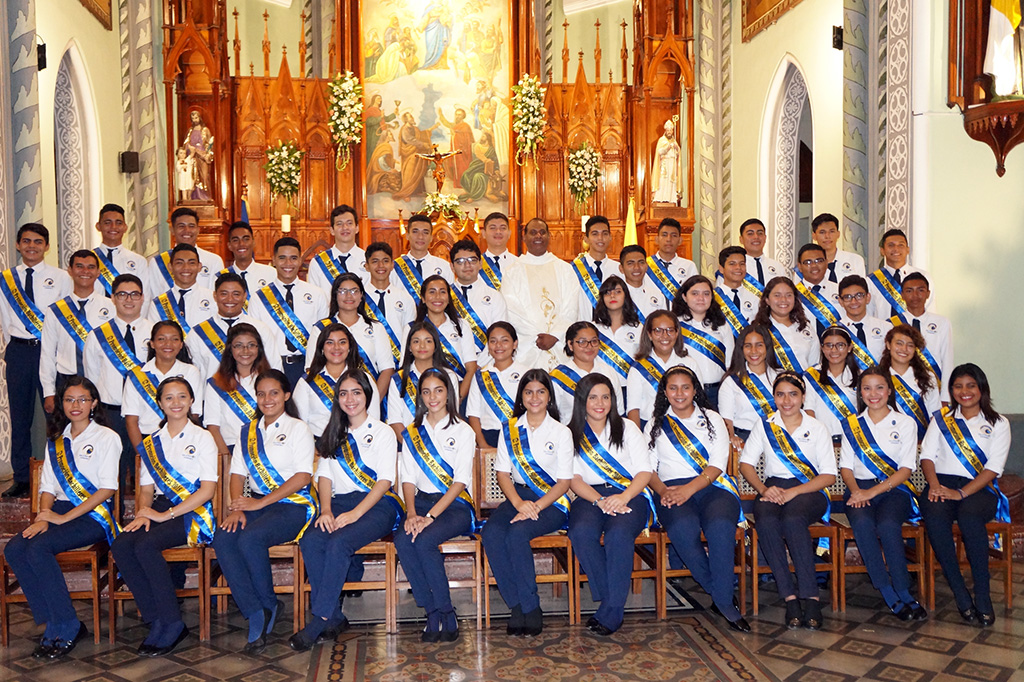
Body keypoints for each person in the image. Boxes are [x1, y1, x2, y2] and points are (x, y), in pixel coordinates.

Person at [3, 376, 119, 658]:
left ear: (93, 403)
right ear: (62, 404)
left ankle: (66, 624)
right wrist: (45, 515)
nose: (75, 405)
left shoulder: (107, 437)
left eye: (82, 399)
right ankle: (54, 619)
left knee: (39, 548)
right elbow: (47, 486)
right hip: (60, 513)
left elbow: (107, 489)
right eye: (69, 400)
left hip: (93, 515)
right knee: (15, 548)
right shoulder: (56, 439)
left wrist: (63, 519)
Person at [290, 370, 402, 650]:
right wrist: (325, 510)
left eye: (356, 392)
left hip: (378, 505)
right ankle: (335, 616)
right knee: (312, 539)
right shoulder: (334, 433)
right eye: (343, 393)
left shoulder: (382, 432)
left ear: (367, 395)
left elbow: (384, 481)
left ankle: (319, 620)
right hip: (338, 503)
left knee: (339, 542)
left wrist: (356, 514)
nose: (349, 399)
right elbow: (324, 476)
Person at [111, 377, 217, 655]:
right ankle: (155, 617)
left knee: (146, 546)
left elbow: (207, 491)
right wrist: (144, 513)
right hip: (159, 509)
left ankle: (172, 623)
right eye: (169, 398)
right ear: (159, 404)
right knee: (122, 544)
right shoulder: (151, 442)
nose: (176, 403)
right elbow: (145, 489)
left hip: (192, 512)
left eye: (182, 396)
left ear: (192, 400)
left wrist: (165, 514)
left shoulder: (202, 437)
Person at [213, 369, 316, 654]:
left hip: (294, 505)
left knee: (250, 539)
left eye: (274, 393)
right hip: (256, 504)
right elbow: (236, 474)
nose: (267, 399)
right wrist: (236, 507)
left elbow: (303, 477)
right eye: (261, 393)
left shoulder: (298, 428)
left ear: (285, 395)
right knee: (223, 537)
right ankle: (254, 609)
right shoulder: (247, 431)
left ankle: (268, 604)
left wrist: (259, 503)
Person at [646, 366, 749, 632]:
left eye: (686, 387)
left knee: (720, 528)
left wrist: (687, 490)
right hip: (670, 490)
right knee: (683, 529)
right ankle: (721, 594)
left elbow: (717, 465)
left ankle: (724, 602)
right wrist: (665, 492)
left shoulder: (713, 418)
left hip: (713, 487)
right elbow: (648, 470)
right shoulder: (655, 423)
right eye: (673, 388)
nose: (679, 393)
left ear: (695, 390)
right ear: (664, 392)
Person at [739, 372, 836, 630]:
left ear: (803, 397)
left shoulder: (817, 427)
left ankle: (811, 598)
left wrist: (795, 492)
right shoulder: (765, 425)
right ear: (774, 397)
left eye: (793, 394)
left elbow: (828, 475)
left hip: (810, 490)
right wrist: (763, 489)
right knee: (767, 521)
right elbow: (746, 464)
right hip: (773, 488)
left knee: (793, 520)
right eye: (780, 394)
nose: (787, 400)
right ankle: (790, 599)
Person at [481, 369, 573, 636]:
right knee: (492, 532)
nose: (535, 397)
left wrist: (536, 506)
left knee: (518, 533)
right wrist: (520, 503)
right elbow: (502, 473)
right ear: (521, 396)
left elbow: (564, 482)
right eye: (529, 391)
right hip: (517, 497)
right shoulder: (509, 429)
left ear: (549, 397)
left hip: (552, 502)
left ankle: (531, 607)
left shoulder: (561, 431)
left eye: (541, 392)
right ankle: (517, 604)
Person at [920, 364, 1011, 627]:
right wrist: (935, 486)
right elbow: (927, 456)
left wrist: (960, 493)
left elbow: (994, 468)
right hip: (941, 482)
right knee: (935, 518)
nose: (965, 391)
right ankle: (960, 592)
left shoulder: (998, 423)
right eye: (958, 386)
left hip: (979, 487)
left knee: (971, 520)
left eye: (971, 385)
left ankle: (982, 595)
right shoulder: (941, 419)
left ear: (982, 388)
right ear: (951, 390)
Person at [566, 373, 653, 635]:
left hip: (630, 495)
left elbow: (644, 472)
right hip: (590, 496)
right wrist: (601, 501)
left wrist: (623, 497)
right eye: (593, 397)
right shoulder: (569, 433)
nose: (600, 403)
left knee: (618, 534)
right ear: (582, 401)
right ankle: (611, 601)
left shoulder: (627, 428)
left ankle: (612, 611)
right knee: (580, 532)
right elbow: (573, 478)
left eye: (605, 397)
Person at [395, 369, 476, 642]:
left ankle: (446, 610)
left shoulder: (463, 430)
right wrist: (411, 513)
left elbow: (460, 481)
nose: (433, 397)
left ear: (448, 393)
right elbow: (407, 477)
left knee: (424, 540)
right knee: (404, 540)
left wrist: (429, 516)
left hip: (455, 506)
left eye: (439, 390)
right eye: (426, 391)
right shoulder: (412, 432)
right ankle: (431, 611)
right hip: (420, 503)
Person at [839, 367, 926, 620]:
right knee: (863, 524)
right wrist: (856, 491)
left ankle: (904, 590)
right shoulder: (852, 424)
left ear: (889, 391)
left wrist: (872, 492)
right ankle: (888, 592)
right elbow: (846, 467)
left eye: (879, 387)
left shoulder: (906, 423)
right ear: (860, 392)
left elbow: (906, 470)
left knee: (888, 525)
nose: (873, 393)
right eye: (867, 388)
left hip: (895, 491)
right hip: (858, 491)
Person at [0, 224, 72, 498]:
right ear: (18, 245)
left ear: (47, 246)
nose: (32, 246)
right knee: (20, 417)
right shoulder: (5, 280)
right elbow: (6, 320)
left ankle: (61, 474)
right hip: (19, 352)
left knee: (57, 416)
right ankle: (21, 478)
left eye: (38, 241)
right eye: (27, 241)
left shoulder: (61, 277)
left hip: (51, 352)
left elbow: (65, 318)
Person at [83, 274, 154, 496]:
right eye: (122, 294)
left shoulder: (157, 332)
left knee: (150, 471)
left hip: (149, 412)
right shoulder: (98, 336)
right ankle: (116, 520)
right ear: (113, 298)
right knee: (112, 473)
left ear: (143, 298)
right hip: (111, 412)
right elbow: (92, 378)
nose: (129, 299)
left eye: (134, 294)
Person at [249, 237, 329, 388]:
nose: (288, 264)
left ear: (300, 260)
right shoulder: (259, 298)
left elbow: (324, 336)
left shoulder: (317, 294)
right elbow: (254, 339)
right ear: (273, 260)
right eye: (282, 258)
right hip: (272, 367)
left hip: (308, 367)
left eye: (293, 258)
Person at [41, 251, 113, 415]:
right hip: (66, 381)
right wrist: (49, 392)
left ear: (98, 272)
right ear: (70, 270)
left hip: (102, 381)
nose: (85, 272)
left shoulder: (111, 307)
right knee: (65, 434)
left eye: (91, 267)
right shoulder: (56, 310)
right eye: (79, 267)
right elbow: (47, 353)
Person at [502, 218, 579, 369]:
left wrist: (555, 335)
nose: (538, 236)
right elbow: (512, 311)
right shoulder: (512, 272)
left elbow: (572, 306)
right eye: (533, 232)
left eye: (542, 232)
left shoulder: (564, 269)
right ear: (524, 237)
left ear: (549, 236)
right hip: (528, 349)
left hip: (559, 345)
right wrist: (537, 337)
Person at [306, 273, 395, 400]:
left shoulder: (375, 328)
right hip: (328, 402)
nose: (349, 296)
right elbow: (312, 368)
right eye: (342, 291)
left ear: (361, 296)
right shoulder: (321, 328)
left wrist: (372, 403)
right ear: (335, 296)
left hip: (367, 401)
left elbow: (387, 369)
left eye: (354, 291)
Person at [185, 272, 283, 383]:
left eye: (236, 294)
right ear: (215, 296)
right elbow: (192, 375)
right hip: (212, 397)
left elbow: (275, 367)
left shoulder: (261, 329)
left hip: (253, 397)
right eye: (224, 294)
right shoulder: (198, 333)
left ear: (245, 296)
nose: (230, 299)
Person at [123, 321, 202, 450]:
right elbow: (131, 420)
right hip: (146, 440)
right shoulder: (137, 375)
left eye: (174, 339)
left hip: (182, 440)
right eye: (161, 339)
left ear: (181, 344)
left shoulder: (191, 372)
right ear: (152, 344)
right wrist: (142, 453)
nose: (168, 344)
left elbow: (194, 414)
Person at [294, 323, 381, 438]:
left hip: (357, 448)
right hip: (318, 449)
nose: (336, 347)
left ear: (350, 347)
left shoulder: (365, 379)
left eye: (342, 342)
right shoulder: (307, 381)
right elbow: (298, 424)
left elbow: (374, 421)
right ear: (321, 348)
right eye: (330, 342)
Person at [204, 323, 271, 459]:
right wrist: (226, 459)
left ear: (259, 349)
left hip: (267, 450)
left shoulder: (271, 380)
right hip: (230, 449)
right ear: (230, 349)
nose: (245, 351)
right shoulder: (216, 384)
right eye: (239, 345)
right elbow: (213, 427)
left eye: (251, 345)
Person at [626, 311, 702, 429]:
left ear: (677, 333)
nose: (665, 336)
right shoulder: (638, 368)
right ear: (649, 334)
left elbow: (698, 400)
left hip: (686, 428)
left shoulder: (690, 363)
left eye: (670, 330)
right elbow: (633, 409)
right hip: (649, 427)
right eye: (658, 330)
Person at [387, 323, 462, 436]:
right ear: (409, 347)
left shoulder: (449, 376)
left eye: (428, 341)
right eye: (416, 341)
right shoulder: (399, 379)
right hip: (410, 446)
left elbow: (452, 415)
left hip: (444, 444)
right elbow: (395, 421)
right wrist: (412, 448)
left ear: (436, 346)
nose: (422, 346)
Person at [412, 275, 479, 401]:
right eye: (432, 292)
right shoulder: (412, 328)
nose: (437, 296)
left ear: (449, 298)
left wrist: (457, 400)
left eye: (442, 292)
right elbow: (407, 366)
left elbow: (471, 369)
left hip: (459, 391)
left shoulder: (462, 326)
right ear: (423, 298)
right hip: (422, 393)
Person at [672, 275, 734, 408]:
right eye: (695, 293)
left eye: (706, 294)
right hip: (685, 392)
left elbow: (730, 363)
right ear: (684, 297)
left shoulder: (722, 324)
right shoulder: (675, 324)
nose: (701, 298)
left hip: (718, 391)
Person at [719, 325, 780, 450]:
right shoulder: (731, 381)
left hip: (777, 439)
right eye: (748, 346)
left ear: (767, 347)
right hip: (743, 440)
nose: (753, 351)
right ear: (741, 349)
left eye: (759, 345)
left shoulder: (780, 377)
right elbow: (726, 419)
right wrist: (731, 437)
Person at [466, 322, 527, 447]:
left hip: (520, 438)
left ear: (515, 344)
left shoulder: (527, 374)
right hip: (489, 437)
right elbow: (473, 415)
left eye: (504, 340)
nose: (498, 346)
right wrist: (483, 445)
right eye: (493, 341)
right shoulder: (480, 375)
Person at [552, 321, 623, 424]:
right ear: (570, 345)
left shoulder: (608, 372)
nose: (589, 347)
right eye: (582, 342)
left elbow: (619, 411)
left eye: (594, 341)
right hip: (571, 436)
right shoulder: (558, 377)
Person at [892, 273, 953, 390]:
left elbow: (947, 361)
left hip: (935, 387)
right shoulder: (891, 324)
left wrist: (946, 396)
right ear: (902, 294)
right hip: (903, 390)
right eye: (909, 291)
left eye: (920, 290)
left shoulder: (942, 323)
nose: (915, 295)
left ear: (928, 294)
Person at [448, 238, 508, 358]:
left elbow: (499, 334)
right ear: (452, 267)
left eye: (472, 260)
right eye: (460, 261)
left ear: (480, 264)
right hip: (451, 363)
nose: (467, 265)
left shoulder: (494, 296)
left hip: (486, 364)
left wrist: (478, 363)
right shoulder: (444, 296)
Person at [879, 325, 940, 440]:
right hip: (885, 441)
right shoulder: (878, 376)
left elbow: (934, 415)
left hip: (920, 441)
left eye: (910, 345)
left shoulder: (928, 377)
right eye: (899, 343)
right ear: (888, 345)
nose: (904, 349)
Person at [364, 241, 415, 370]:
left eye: (385, 261)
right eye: (375, 261)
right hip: (366, 365)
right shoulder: (358, 298)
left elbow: (410, 336)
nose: (381, 266)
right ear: (367, 266)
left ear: (392, 265)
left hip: (398, 365)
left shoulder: (405, 299)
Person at [148, 207, 223, 293]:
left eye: (191, 226)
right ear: (172, 230)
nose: (187, 230)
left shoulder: (214, 261)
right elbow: (155, 297)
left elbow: (217, 297)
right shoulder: (157, 263)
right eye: (181, 226)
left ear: (198, 230)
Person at [145, 244, 215, 335]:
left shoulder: (213, 299)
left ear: (199, 267)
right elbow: (155, 337)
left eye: (191, 263)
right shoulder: (158, 304)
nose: (186, 268)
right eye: (179, 263)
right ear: (170, 267)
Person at [752, 277, 820, 373]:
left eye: (788, 295)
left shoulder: (806, 327)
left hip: (804, 386)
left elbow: (814, 364)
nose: (783, 300)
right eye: (777, 295)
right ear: (767, 300)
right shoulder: (758, 330)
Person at [804, 326, 859, 441]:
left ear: (849, 347)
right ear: (822, 348)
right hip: (822, 441)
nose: (834, 350)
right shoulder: (811, 376)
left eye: (840, 345)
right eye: (829, 345)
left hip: (853, 442)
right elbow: (809, 410)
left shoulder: (861, 376)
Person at [393, 214, 453, 304]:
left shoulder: (444, 266)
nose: (420, 237)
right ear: (407, 235)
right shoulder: (394, 267)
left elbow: (449, 300)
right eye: (415, 231)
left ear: (431, 237)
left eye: (425, 232)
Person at [593, 276, 643, 383]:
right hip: (599, 387)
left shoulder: (638, 328)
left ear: (625, 296)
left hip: (630, 386)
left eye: (617, 292)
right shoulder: (593, 328)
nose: (612, 296)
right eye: (607, 293)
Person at [866, 229, 926, 320]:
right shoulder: (871, 281)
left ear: (908, 249)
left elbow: (929, 312)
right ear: (882, 250)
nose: (896, 249)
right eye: (891, 245)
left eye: (901, 245)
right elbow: (868, 314)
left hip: (914, 332)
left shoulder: (923, 278)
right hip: (883, 332)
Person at [308, 205, 368, 294]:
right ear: (332, 230)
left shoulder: (368, 260)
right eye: (339, 224)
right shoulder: (318, 263)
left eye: (349, 223)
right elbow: (314, 299)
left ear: (357, 228)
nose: (345, 227)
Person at [93, 204, 147, 298]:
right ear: (98, 226)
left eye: (118, 223)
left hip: (128, 311)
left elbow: (144, 297)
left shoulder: (139, 261)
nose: (113, 227)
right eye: (107, 222)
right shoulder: (90, 261)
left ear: (125, 227)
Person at [572, 216, 619, 321]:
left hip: (611, 333)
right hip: (582, 330)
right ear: (586, 239)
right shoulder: (573, 270)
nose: (600, 238)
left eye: (605, 233)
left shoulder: (619, 269)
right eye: (595, 234)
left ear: (610, 237)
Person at [837, 275, 890, 366]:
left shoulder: (886, 328)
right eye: (848, 297)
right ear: (841, 301)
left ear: (868, 297)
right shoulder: (835, 331)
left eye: (859, 296)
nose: (854, 301)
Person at [794, 243, 842, 338]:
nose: (814, 266)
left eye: (819, 261)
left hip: (836, 349)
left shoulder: (841, 291)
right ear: (799, 267)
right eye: (808, 262)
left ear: (826, 262)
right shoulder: (792, 295)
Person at [645, 218, 697, 304]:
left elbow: (695, 294)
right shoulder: (646, 265)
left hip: (680, 316)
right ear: (657, 239)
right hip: (652, 315)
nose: (669, 239)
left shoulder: (689, 266)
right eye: (664, 235)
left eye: (674, 235)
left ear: (680, 240)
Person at [221, 222, 276, 294]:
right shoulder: (221, 277)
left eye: (246, 239)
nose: (241, 244)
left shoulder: (271, 273)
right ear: (229, 246)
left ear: (253, 242)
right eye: (235, 240)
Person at [715, 246, 760, 336]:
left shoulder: (755, 297)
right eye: (732, 264)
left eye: (742, 264)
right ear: (721, 269)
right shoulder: (713, 297)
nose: (738, 267)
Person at [811, 213, 865, 282]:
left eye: (832, 231)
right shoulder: (808, 265)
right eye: (822, 232)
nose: (827, 236)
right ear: (814, 236)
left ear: (838, 234)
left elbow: (861, 289)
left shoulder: (855, 260)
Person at [618, 244, 662, 322]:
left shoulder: (657, 295)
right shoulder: (616, 296)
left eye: (641, 262)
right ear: (621, 268)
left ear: (646, 266)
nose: (637, 267)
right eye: (630, 263)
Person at [737, 219, 787, 286]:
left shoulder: (777, 267)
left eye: (760, 233)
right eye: (750, 234)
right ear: (741, 239)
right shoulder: (736, 268)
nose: (756, 237)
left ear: (765, 238)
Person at [479, 212, 518, 291]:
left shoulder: (518, 263)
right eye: (492, 228)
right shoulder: (476, 265)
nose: (498, 232)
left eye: (503, 228)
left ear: (509, 233)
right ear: (483, 233)